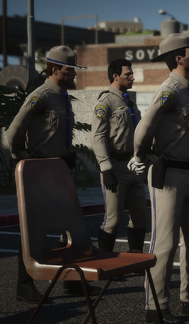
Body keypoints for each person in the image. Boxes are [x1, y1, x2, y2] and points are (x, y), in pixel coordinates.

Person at [133, 33, 189, 324]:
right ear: (178, 58)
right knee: (165, 243)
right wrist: (140, 156)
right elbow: (145, 126)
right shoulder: (170, 89)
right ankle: (155, 307)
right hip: (169, 173)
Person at [7, 45, 102, 302]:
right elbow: (12, 133)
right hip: (41, 170)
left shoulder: (61, 95)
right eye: (70, 70)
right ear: (53, 68)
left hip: (60, 169)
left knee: (67, 228)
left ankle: (71, 282)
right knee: (34, 231)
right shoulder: (41, 96)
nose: (74, 74)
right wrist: (22, 158)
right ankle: (24, 286)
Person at [91, 59, 147, 254]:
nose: (132, 77)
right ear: (115, 76)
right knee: (113, 219)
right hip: (115, 168)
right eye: (127, 74)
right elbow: (97, 137)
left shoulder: (128, 101)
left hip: (133, 167)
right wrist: (106, 169)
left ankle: (136, 259)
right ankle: (105, 262)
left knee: (140, 217)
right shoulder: (105, 101)